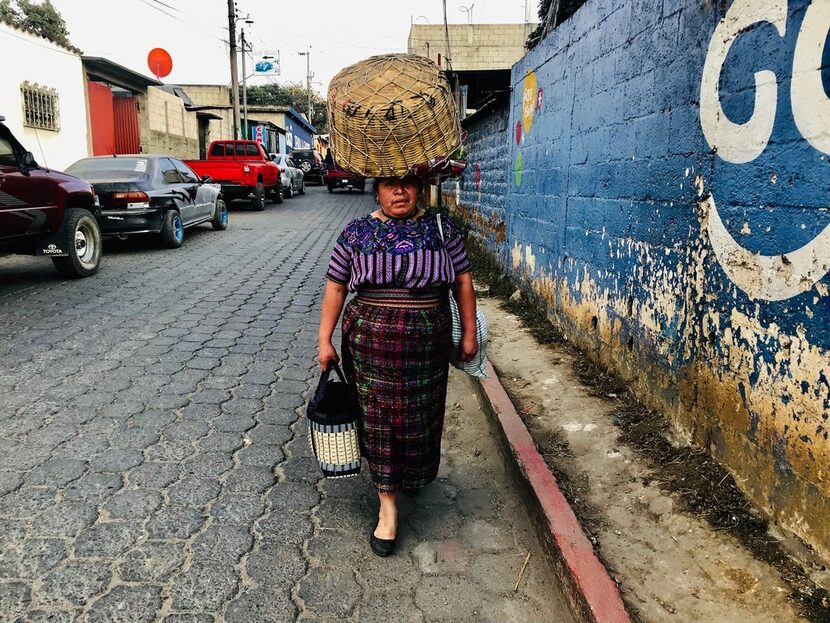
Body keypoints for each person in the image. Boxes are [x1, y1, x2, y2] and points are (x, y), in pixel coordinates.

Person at [318, 175, 478, 557]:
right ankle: (387, 507)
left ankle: (411, 474)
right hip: (371, 345)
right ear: (377, 191)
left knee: (421, 416)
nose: (399, 191)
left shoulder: (440, 227)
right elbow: (336, 286)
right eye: (390, 184)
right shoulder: (357, 231)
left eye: (407, 183)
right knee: (378, 419)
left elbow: (463, 281)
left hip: (428, 345)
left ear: (419, 188)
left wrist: (469, 334)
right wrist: (324, 339)